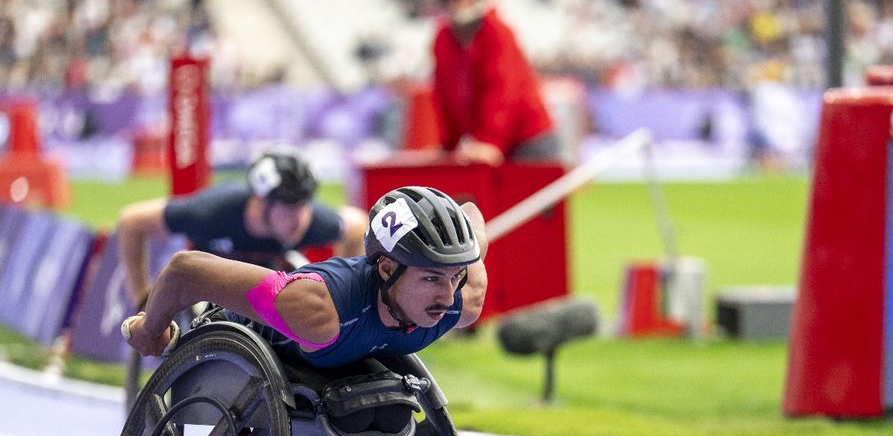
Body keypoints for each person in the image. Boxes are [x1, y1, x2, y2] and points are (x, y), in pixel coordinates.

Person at [121, 185, 488, 370]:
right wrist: (150, 330)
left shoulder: (463, 302)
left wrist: (459, 252)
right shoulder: (318, 309)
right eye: (431, 279)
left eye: (456, 275)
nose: (446, 295)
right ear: (388, 269)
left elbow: (470, 212)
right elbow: (186, 270)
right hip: (244, 352)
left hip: (342, 361)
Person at [115, 146, 368, 308]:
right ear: (262, 202)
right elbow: (131, 221)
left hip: (265, 285)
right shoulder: (212, 213)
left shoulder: (308, 220)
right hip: (207, 285)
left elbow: (357, 225)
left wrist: (342, 296)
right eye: (290, 205)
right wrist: (141, 297)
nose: (300, 218)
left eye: (304, 204)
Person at [430, 0, 560, 165]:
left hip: (527, 140)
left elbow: (504, 91)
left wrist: (490, 140)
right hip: (488, 144)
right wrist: (449, 145)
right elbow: (445, 93)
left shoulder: (497, 31)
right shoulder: (443, 38)